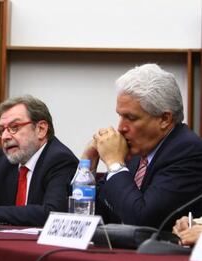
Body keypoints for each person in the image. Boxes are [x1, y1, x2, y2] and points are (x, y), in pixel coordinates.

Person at [82, 63, 202, 229]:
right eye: (120, 116)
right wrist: (87, 164)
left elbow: (142, 221)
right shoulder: (138, 151)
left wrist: (115, 164)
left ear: (164, 119)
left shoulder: (187, 151)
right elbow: (99, 214)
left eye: (130, 118)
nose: (120, 128)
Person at [0, 95, 78, 226]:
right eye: (2, 130)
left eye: (14, 127)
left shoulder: (60, 160)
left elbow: (53, 212)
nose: (5, 137)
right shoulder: (7, 162)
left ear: (41, 129)